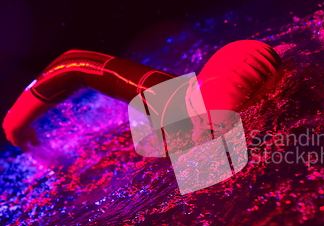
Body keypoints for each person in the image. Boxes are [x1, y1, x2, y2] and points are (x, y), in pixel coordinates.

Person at [2, 40, 282, 151]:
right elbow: (75, 64)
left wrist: (14, 124)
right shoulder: (176, 107)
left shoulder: (177, 110)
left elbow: (75, 64)